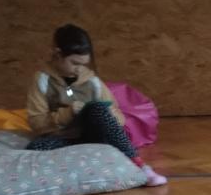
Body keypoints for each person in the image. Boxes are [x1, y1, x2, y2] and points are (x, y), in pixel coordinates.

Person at [25, 24, 167, 186]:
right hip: (62, 138)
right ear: (58, 54)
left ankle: (141, 167)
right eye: (74, 63)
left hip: (92, 137)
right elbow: (36, 122)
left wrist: (109, 114)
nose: (79, 69)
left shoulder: (92, 81)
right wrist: (68, 113)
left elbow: (119, 119)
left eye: (83, 64)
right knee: (36, 147)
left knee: (97, 108)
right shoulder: (42, 80)